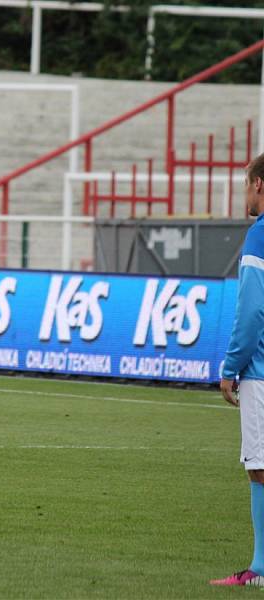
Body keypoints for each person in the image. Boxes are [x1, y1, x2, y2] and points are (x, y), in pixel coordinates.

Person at [211, 153, 264, 586]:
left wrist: (231, 366)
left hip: (262, 374)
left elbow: (249, 313)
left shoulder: (259, 237)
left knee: (260, 468)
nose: (245, 194)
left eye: (247, 185)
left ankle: (260, 570)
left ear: (260, 185)